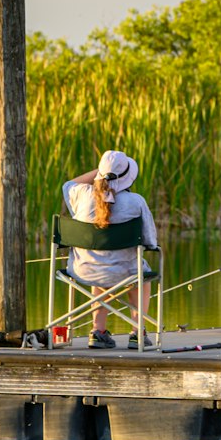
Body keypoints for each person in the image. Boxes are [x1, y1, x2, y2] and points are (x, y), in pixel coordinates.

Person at [62, 149, 158, 350]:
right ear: (127, 178)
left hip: (83, 270)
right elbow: (150, 242)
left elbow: (68, 184)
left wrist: (102, 172)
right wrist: (112, 173)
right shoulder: (136, 202)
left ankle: (98, 331)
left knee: (102, 267)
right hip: (123, 271)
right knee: (141, 274)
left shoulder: (80, 194)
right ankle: (137, 333)